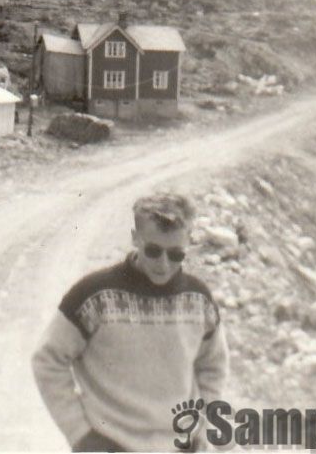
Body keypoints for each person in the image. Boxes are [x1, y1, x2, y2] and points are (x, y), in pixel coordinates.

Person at [32, 193, 228, 453]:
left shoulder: (199, 300)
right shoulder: (93, 296)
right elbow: (48, 360)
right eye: (153, 251)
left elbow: (212, 366)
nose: (163, 264)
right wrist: (80, 433)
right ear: (135, 238)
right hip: (111, 444)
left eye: (176, 254)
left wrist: (202, 426)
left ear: (189, 242)